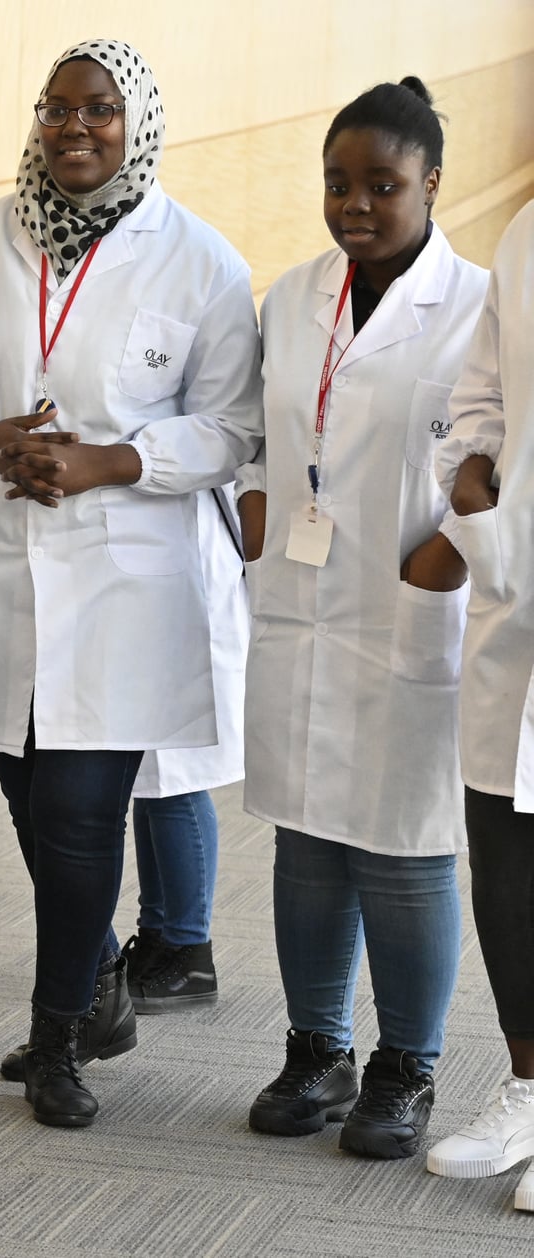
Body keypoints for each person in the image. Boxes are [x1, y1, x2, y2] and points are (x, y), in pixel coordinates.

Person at [0, 39, 262, 1127]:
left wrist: (109, 459)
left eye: (98, 110)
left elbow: (232, 428)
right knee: (28, 794)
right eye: (56, 109)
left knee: (77, 814)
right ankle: (94, 982)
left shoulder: (198, 260)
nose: (73, 129)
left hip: (122, 578)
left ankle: (59, 1032)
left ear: (135, 121)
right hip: (1, 565)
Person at [238, 77, 480, 1160]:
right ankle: (314, 1048)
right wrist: (250, 501)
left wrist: (443, 556)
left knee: (404, 847)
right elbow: (252, 428)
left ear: (431, 182)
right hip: (300, 601)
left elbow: (506, 459)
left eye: (381, 185)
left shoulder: (482, 305)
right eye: (336, 184)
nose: (354, 204)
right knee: (306, 838)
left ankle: (404, 1065)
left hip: (412, 609)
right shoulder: (291, 297)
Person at [429, 165, 534, 1204]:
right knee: (503, 854)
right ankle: (526, 1088)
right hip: (520, 602)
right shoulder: (526, 233)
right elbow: (483, 393)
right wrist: (468, 475)